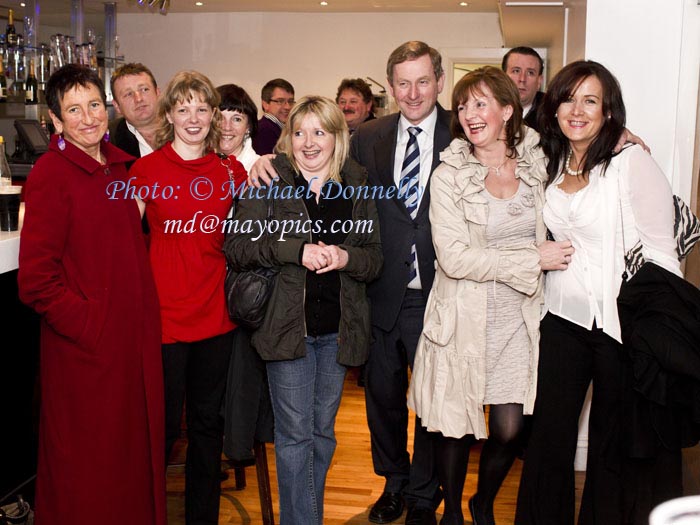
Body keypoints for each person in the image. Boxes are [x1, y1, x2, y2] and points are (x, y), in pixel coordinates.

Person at [248, 40, 450, 525]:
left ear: (440, 82)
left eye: (423, 80)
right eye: (403, 82)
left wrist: (614, 133)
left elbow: (524, 140)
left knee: (430, 402)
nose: (413, 91)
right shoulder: (368, 138)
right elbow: (309, 161)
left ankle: (424, 495)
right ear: (391, 87)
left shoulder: (464, 131)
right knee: (380, 400)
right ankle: (394, 484)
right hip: (376, 298)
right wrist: (258, 159)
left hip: (438, 291)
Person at [515, 60, 681, 525]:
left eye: (591, 100)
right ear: (554, 107)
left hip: (620, 326)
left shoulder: (631, 162)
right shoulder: (546, 158)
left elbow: (663, 254)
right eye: (568, 98)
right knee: (548, 438)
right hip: (561, 320)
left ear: (609, 112)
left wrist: (655, 333)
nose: (577, 109)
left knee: (612, 442)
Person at [406, 66, 572, 525]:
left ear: (507, 110)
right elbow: (455, 259)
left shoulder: (539, 159)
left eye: (480, 104)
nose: (469, 114)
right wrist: (530, 258)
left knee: (509, 429)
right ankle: (455, 511)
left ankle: (483, 499)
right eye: (462, 106)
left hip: (519, 319)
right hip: (461, 316)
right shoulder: (448, 175)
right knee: (456, 427)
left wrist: (620, 137)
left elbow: (584, 144)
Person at [18, 64, 166, 525]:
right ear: (55, 121)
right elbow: (36, 281)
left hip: (134, 344)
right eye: (74, 110)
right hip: (86, 355)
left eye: (95, 105)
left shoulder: (120, 165)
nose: (88, 118)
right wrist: (92, 326)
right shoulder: (50, 175)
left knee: (132, 459)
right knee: (90, 468)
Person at [224, 95, 383, 525]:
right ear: (287, 138)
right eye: (299, 132)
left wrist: (346, 257)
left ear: (337, 137)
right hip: (286, 328)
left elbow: (373, 258)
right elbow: (237, 247)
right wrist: (297, 249)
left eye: (320, 132)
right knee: (295, 437)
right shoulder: (269, 180)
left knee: (322, 435)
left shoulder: (358, 184)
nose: (309, 143)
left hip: (338, 329)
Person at [129, 70, 247, 525]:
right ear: (170, 115)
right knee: (158, 427)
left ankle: (202, 518)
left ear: (214, 116)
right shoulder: (146, 171)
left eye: (202, 108)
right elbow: (121, 242)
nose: (193, 118)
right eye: (184, 109)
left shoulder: (230, 170)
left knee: (206, 425)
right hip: (162, 319)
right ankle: (147, 511)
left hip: (216, 316)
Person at [109, 62, 161, 166]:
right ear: (117, 106)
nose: (138, 99)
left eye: (144, 89)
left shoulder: (182, 127)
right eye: (128, 94)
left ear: (158, 93)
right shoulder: (107, 139)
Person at [216, 83, 259, 171]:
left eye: (237, 119)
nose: (227, 127)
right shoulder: (195, 163)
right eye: (219, 118)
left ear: (248, 127)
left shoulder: (260, 171)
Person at [501, 47, 544, 131]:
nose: (522, 79)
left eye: (530, 73)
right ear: (503, 77)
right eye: (516, 71)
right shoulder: (487, 110)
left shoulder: (553, 115)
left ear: (539, 81)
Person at [252, 77, 295, 155]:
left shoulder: (281, 129)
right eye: (280, 101)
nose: (287, 107)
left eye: (290, 101)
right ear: (265, 104)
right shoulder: (264, 131)